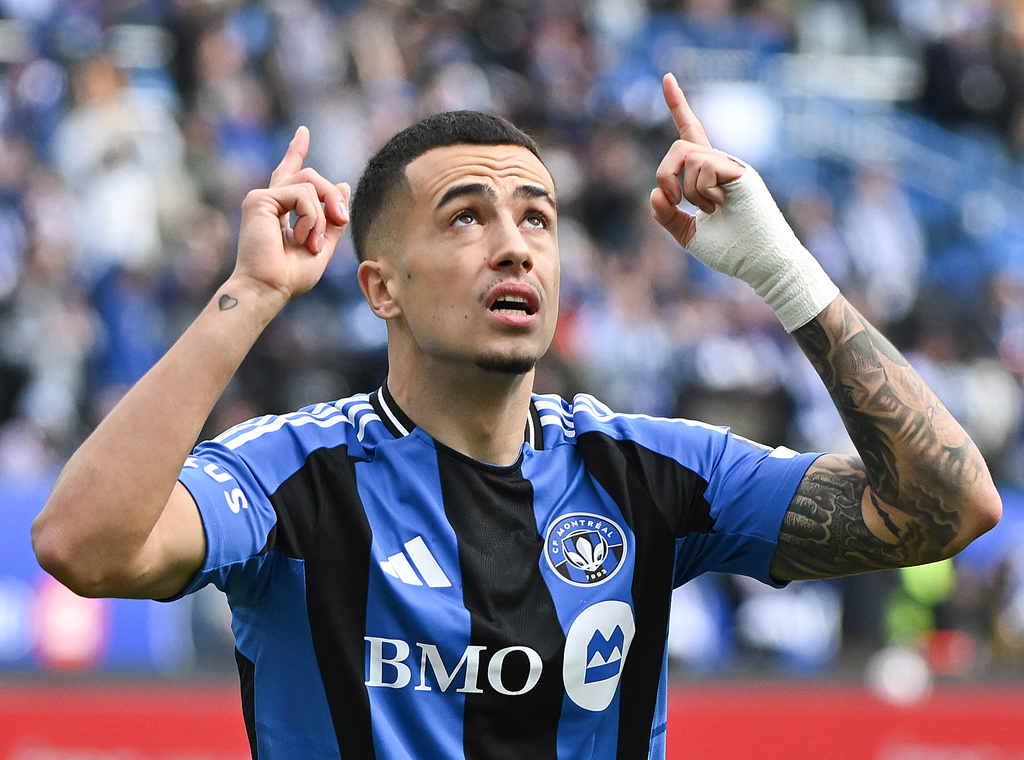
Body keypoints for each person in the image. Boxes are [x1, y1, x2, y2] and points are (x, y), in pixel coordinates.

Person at [32, 74, 1001, 759]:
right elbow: (85, 543)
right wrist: (249, 291)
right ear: (382, 287)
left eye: (536, 217)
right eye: (466, 216)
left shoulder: (648, 473)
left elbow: (944, 506)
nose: (514, 246)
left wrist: (780, 268)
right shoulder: (292, 475)